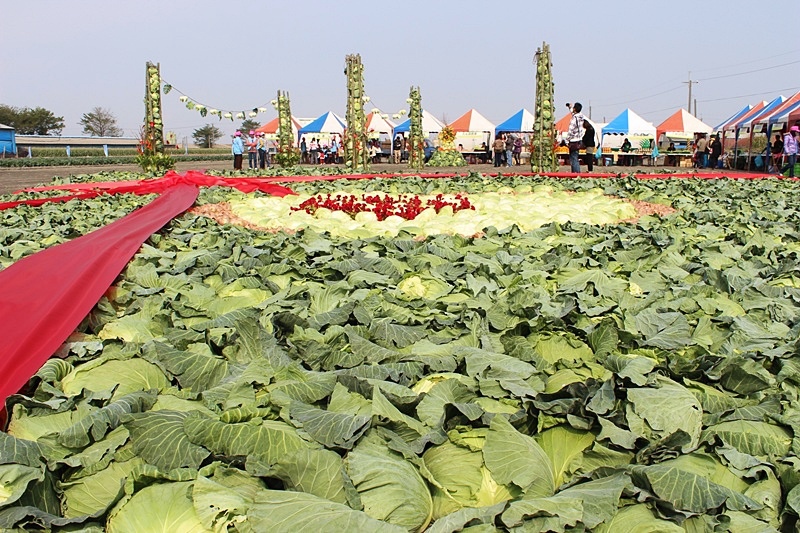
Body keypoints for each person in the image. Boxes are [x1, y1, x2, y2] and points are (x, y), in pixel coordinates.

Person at [566, 102, 586, 172]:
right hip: (579, 140)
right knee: (576, 157)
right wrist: (570, 107)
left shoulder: (574, 119)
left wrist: (567, 140)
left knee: (573, 159)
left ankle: (576, 174)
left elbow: (570, 130)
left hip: (573, 141)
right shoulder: (581, 117)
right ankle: (577, 173)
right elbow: (573, 113)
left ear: (575, 109)